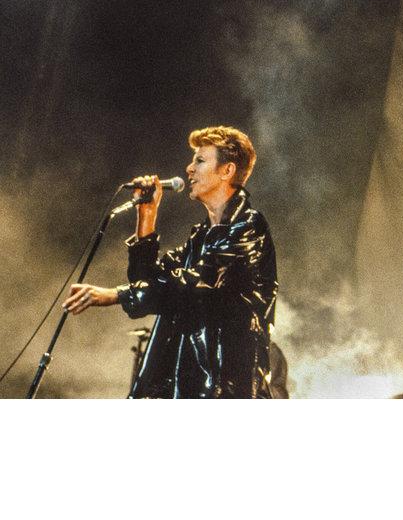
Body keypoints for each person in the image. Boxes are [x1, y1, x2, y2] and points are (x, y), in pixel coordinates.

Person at [63, 125, 285, 398]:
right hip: (186, 386)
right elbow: (149, 280)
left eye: (200, 160)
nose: (189, 169)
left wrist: (114, 295)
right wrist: (147, 216)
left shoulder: (249, 227)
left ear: (227, 171)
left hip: (224, 390)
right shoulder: (200, 238)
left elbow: (193, 288)